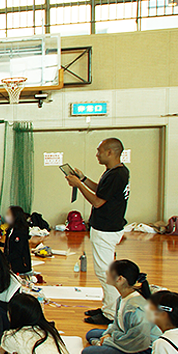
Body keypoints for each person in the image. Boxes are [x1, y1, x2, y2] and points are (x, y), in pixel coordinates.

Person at [65, 138, 130, 324]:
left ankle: (110, 313)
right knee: (105, 270)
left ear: (110, 152)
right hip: (107, 226)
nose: (97, 154)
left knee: (105, 272)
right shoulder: (114, 172)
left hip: (106, 228)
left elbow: (97, 201)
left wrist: (78, 185)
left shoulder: (117, 174)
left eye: (99, 151)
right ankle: (107, 306)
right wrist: (83, 179)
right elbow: (101, 192)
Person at [82, 260, 160, 354]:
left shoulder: (136, 308)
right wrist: (109, 335)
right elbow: (117, 324)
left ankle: (102, 344)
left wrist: (109, 340)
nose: (106, 273)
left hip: (143, 352)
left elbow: (137, 341)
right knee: (91, 334)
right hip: (127, 336)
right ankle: (102, 344)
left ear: (120, 279)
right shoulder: (123, 297)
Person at [3, 206, 32, 275]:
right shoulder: (10, 229)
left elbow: (18, 251)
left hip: (20, 265)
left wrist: (4, 260)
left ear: (15, 216)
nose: (6, 216)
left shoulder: (20, 231)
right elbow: (10, 244)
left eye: (8, 214)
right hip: (11, 263)